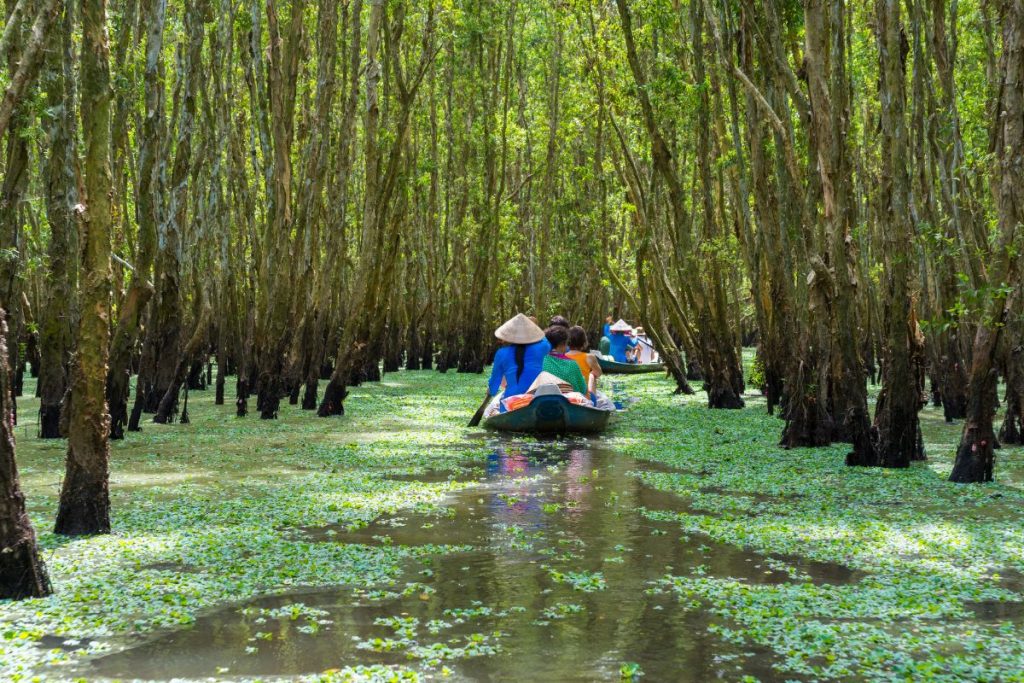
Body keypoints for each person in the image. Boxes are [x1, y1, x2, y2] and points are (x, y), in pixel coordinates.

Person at [485, 314, 548, 414]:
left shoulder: (501, 353)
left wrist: (490, 391)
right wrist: (533, 327)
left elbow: (494, 385)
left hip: (510, 403)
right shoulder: (543, 347)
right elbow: (549, 341)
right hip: (537, 400)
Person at [566, 326, 616, 411]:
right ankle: (593, 402)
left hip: (568, 394)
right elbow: (599, 373)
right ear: (584, 342)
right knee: (592, 375)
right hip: (585, 396)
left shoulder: (562, 357)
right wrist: (591, 374)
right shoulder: (589, 357)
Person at [540, 326, 588, 395]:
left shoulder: (543, 360)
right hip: (568, 402)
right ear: (563, 344)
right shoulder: (572, 364)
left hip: (547, 398)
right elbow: (582, 390)